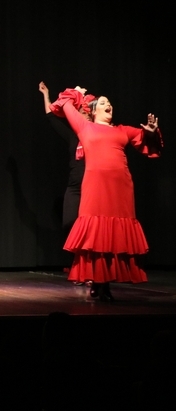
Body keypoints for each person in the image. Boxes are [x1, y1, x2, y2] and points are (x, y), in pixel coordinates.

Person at [50, 86, 162, 301]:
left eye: (109, 102)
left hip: (121, 187)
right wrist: (77, 92)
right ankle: (98, 282)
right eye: (102, 103)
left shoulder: (122, 130)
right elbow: (63, 101)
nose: (108, 105)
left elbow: (147, 141)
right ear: (92, 111)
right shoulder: (83, 126)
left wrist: (151, 131)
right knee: (96, 235)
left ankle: (106, 283)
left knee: (114, 236)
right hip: (95, 186)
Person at [38, 81, 94, 232]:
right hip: (74, 186)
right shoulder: (72, 136)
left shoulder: (98, 133)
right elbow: (51, 118)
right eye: (83, 113)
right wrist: (46, 95)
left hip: (92, 185)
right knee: (70, 224)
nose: (86, 116)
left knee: (90, 226)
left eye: (89, 114)